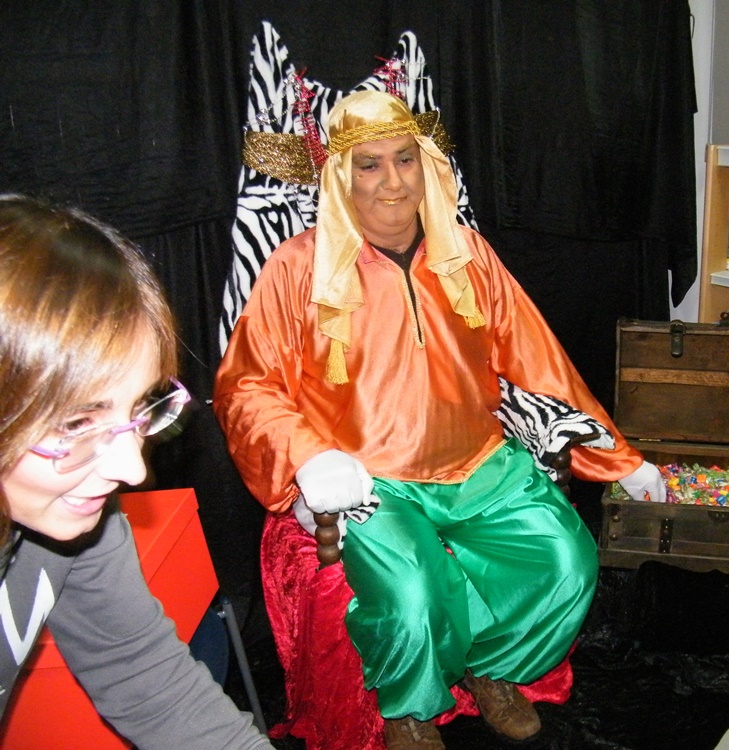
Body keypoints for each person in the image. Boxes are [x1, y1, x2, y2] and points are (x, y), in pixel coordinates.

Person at [214, 90, 665, 750]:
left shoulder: (468, 254)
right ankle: (410, 709)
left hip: (482, 463)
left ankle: (494, 669)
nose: (393, 181)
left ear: (427, 164)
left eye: (405, 159)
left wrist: (618, 458)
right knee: (412, 592)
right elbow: (245, 387)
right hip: (374, 479)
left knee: (566, 563)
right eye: (369, 164)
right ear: (340, 176)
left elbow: (539, 360)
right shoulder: (297, 267)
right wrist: (308, 455)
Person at [0, 195, 274, 749]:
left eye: (139, 409)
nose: (131, 470)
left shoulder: (68, 518)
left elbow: (143, 674)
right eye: (76, 423)